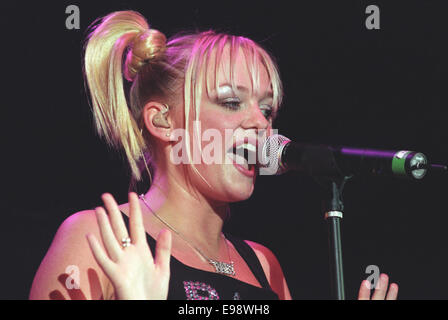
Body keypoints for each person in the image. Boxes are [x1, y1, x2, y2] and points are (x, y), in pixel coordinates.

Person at [29, 10, 398, 300]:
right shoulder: (101, 237)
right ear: (163, 120)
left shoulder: (264, 267)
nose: (261, 124)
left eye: (267, 110)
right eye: (231, 102)